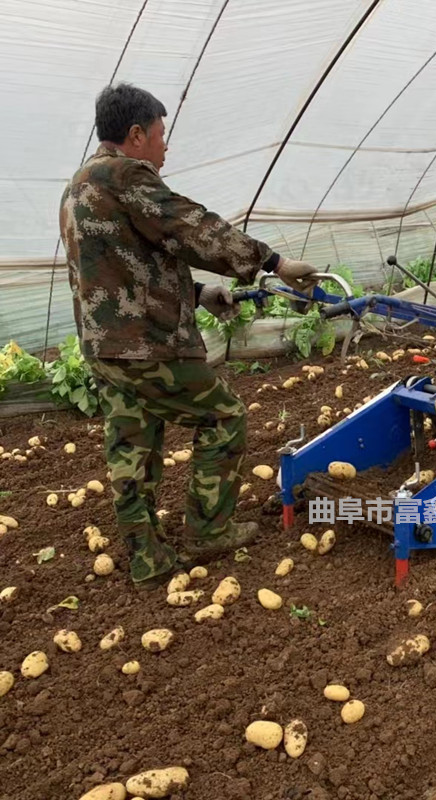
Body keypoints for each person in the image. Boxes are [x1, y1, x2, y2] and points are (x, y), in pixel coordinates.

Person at [59, 83, 319, 589]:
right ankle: (209, 529)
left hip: (106, 346)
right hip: (148, 344)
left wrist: (197, 293)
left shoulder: (78, 187)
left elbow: (121, 265)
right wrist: (273, 262)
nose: (165, 146)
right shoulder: (125, 175)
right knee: (223, 416)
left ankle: (147, 558)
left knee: (131, 445)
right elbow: (190, 227)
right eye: (160, 134)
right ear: (136, 135)